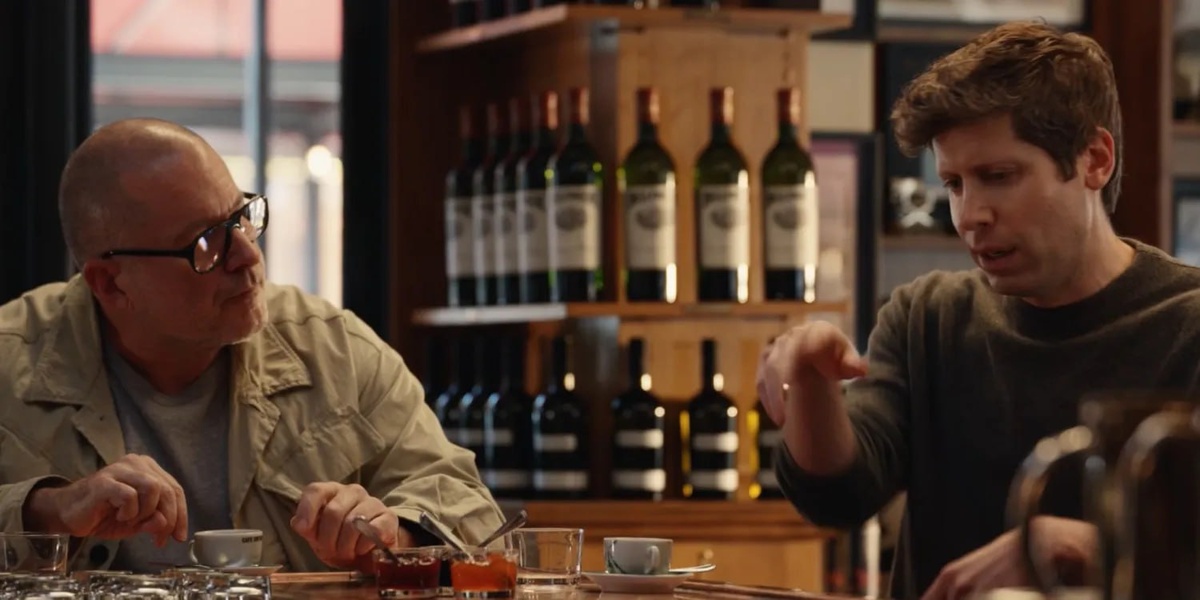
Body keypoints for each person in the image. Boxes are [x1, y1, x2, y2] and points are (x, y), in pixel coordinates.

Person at [756, 21, 1200, 600]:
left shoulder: (1187, 326)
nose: (969, 216)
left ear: (1094, 160)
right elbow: (838, 496)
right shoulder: (926, 318)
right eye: (954, 184)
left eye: (998, 177)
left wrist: (1089, 550)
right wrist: (813, 384)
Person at [0, 118, 504, 573]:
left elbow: (475, 512)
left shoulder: (335, 349)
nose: (247, 254)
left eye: (242, 218)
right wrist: (49, 511)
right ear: (110, 283)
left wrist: (396, 534)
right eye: (205, 244)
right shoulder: (10, 361)